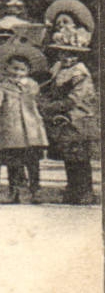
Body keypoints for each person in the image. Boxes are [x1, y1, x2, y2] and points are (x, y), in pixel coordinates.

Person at [0, 50, 48, 203]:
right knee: (13, 163)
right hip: (12, 131)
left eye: (22, 69)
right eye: (14, 68)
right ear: (7, 69)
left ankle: (35, 191)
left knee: (33, 163)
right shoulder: (2, 87)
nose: (17, 73)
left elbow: (41, 104)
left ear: (28, 71)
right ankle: (14, 192)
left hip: (32, 131)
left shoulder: (33, 86)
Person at [41, 38, 98, 205]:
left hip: (78, 117)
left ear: (79, 57)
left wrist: (50, 107)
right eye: (63, 53)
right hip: (62, 117)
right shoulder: (58, 69)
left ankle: (85, 190)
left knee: (79, 155)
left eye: (72, 55)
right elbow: (49, 87)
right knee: (68, 154)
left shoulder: (80, 74)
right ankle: (72, 188)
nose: (67, 58)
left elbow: (75, 99)